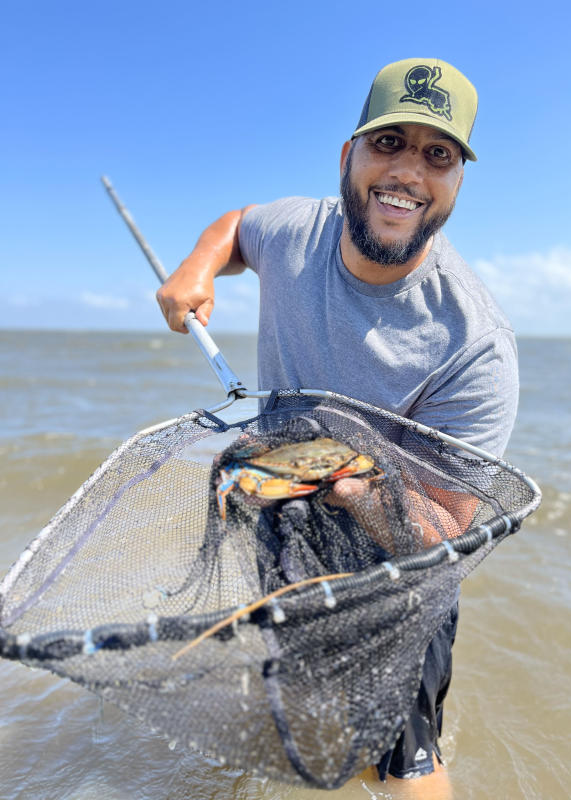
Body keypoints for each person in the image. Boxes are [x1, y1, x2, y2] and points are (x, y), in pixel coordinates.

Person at [157, 57, 518, 799]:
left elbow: (444, 531)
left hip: (401, 575)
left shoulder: (474, 345)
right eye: (389, 142)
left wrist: (357, 484)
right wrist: (198, 267)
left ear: (456, 182)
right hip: (283, 521)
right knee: (301, 689)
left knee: (404, 757)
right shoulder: (299, 230)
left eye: (438, 155)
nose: (410, 172)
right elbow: (236, 228)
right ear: (347, 156)